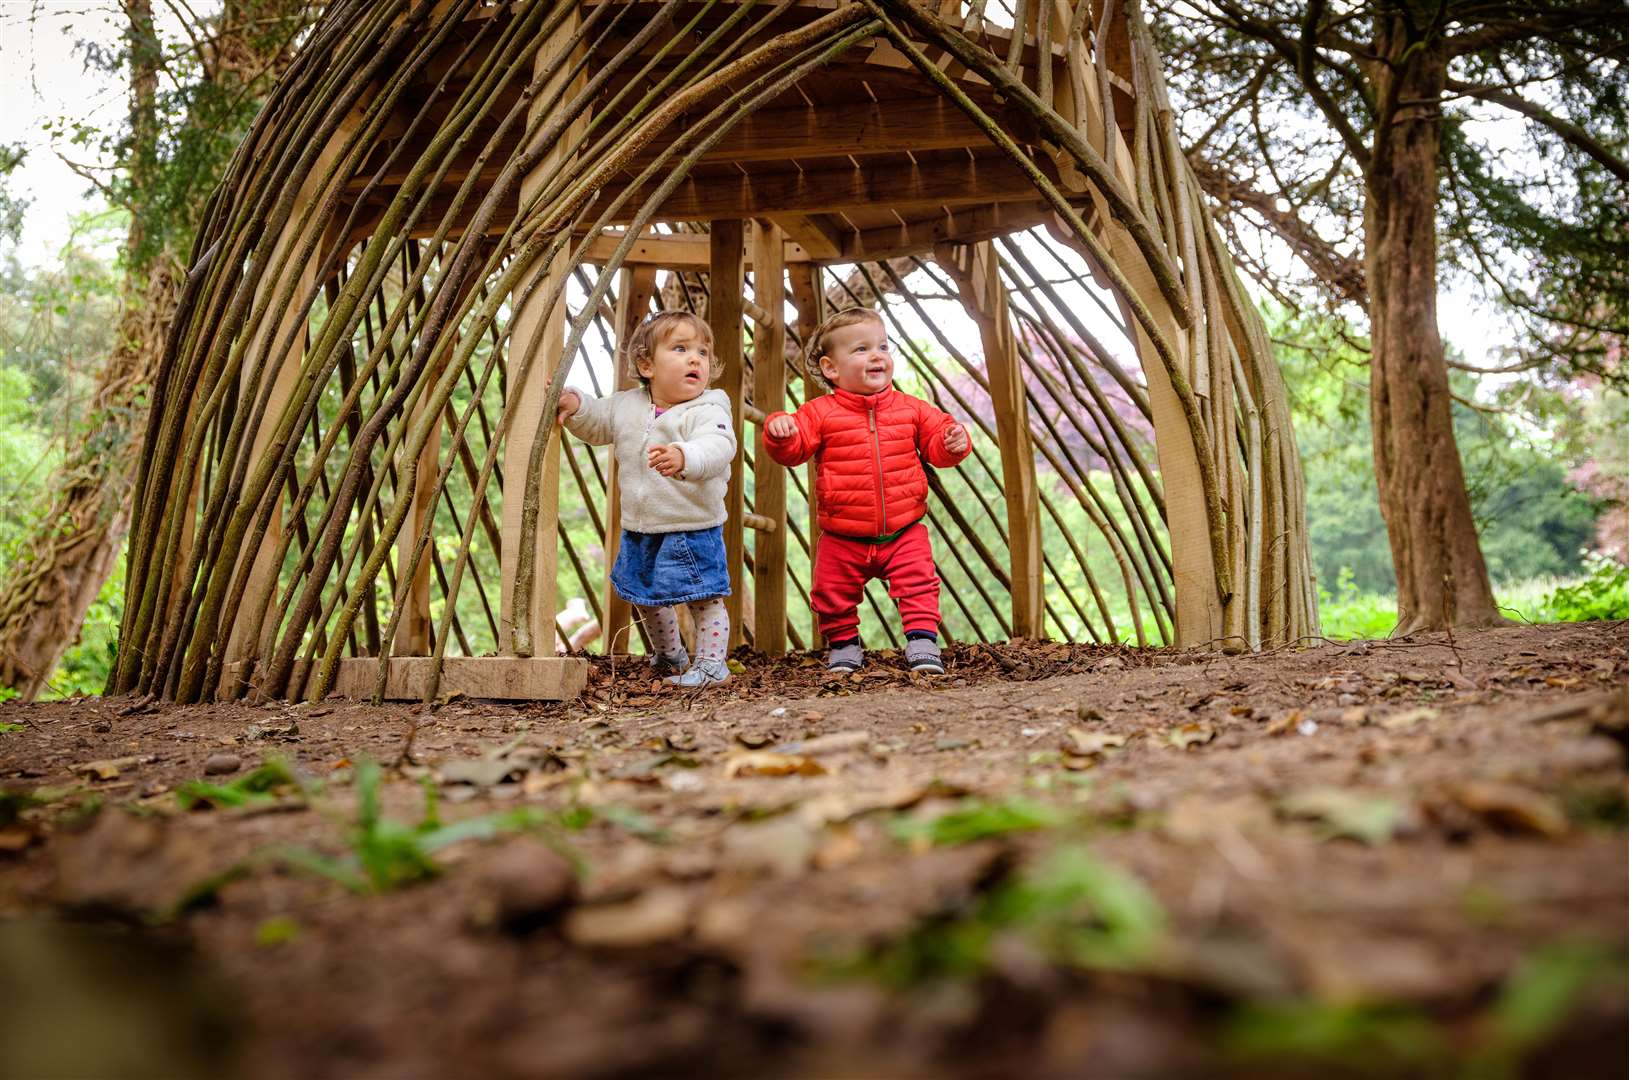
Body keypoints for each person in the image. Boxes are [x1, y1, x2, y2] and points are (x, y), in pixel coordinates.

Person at [762, 307, 970, 674]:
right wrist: (781, 433)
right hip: (843, 534)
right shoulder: (819, 413)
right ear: (831, 368)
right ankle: (844, 646)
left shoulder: (911, 409)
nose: (877, 356)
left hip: (904, 530)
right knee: (830, 592)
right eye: (861, 349)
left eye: (883, 347)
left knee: (919, 583)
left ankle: (922, 644)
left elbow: (939, 443)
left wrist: (953, 442)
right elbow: (794, 451)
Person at [558, 310, 736, 687]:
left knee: (705, 597)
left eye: (703, 352)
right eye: (681, 348)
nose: (695, 359)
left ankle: (711, 664)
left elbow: (718, 446)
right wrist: (575, 404)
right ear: (646, 364)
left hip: (691, 525)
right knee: (644, 595)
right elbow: (595, 420)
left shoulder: (708, 408)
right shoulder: (627, 405)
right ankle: (670, 656)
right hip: (641, 524)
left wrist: (685, 456)